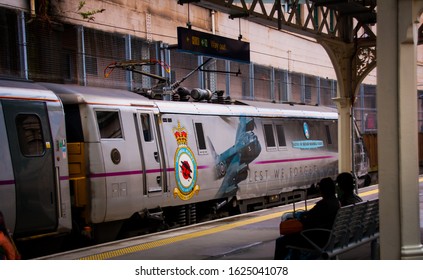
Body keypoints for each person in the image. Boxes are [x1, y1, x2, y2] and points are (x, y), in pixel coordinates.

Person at [274, 177, 340, 259]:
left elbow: (308, 220)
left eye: (320, 189)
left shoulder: (323, 205)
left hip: (318, 239)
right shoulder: (337, 203)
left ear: (324, 191)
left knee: (281, 241)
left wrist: (301, 216)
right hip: (330, 237)